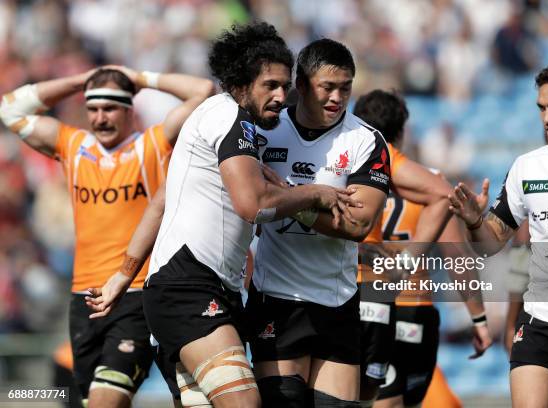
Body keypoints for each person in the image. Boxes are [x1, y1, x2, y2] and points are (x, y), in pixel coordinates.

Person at [86, 23, 357, 408]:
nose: (281, 97)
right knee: (245, 402)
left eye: (285, 86)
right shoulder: (232, 119)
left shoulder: (218, 118)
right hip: (188, 289)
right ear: (241, 84)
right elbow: (255, 206)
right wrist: (315, 192)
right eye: (270, 86)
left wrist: (121, 276)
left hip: (205, 290)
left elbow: (161, 202)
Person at [0, 65, 214, 407]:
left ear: (130, 110)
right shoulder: (74, 146)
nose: (100, 118)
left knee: (105, 401)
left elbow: (202, 91)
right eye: (93, 109)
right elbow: (9, 107)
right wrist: (79, 80)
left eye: (110, 108)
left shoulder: (152, 144)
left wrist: (139, 78)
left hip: (135, 295)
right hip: (82, 298)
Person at [448, 59, 548, 408]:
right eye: (541, 108)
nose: (547, 117)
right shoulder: (527, 166)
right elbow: (493, 245)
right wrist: (475, 222)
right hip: (539, 323)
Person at [244, 39, 390, 408]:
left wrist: (292, 199)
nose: (337, 97)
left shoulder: (365, 141)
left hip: (336, 302)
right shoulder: (264, 132)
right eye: (328, 87)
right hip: (276, 300)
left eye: (345, 87)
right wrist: (312, 197)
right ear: (303, 85)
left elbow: (357, 223)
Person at [353, 90, 492, 408]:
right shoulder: (431, 183)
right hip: (413, 307)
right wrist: (479, 319)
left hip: (363, 299)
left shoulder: (348, 177)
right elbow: (456, 257)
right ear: (403, 131)